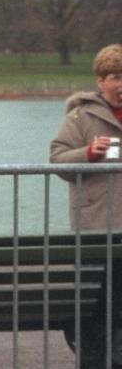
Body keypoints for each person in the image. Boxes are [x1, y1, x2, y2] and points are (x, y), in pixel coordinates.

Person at [50, 43, 122, 230]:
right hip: (95, 224)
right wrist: (88, 154)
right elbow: (57, 161)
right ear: (101, 81)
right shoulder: (80, 116)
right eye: (116, 77)